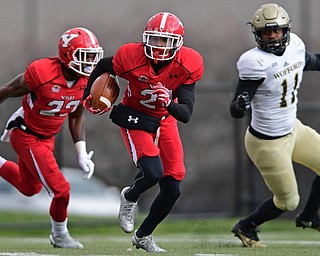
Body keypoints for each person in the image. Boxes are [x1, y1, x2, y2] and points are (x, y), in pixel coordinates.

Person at [83, 12, 204, 252]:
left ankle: (143, 236)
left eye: (164, 41)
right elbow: (103, 66)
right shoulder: (131, 55)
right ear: (145, 38)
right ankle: (130, 196)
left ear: (177, 43)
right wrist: (89, 94)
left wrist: (168, 102)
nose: (158, 46)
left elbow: (186, 114)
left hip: (165, 119)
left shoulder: (188, 63)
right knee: (152, 173)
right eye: (154, 39)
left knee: (173, 188)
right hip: (134, 117)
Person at [0, 27, 103, 249]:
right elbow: (7, 90)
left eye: (93, 56)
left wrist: (82, 153)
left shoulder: (86, 81)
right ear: (67, 55)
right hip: (26, 132)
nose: (90, 63)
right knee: (62, 190)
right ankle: (60, 235)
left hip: (47, 138)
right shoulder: (42, 72)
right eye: (84, 56)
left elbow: (76, 117)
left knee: (30, 189)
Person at [229, 3, 320, 248]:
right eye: (266, 32)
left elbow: (311, 61)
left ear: (285, 31)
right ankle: (246, 225)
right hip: (267, 142)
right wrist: (241, 104)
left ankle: (309, 217)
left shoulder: (296, 48)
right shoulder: (254, 62)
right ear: (257, 35)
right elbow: (236, 108)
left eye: (276, 31)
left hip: (294, 129)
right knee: (287, 201)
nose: (272, 36)